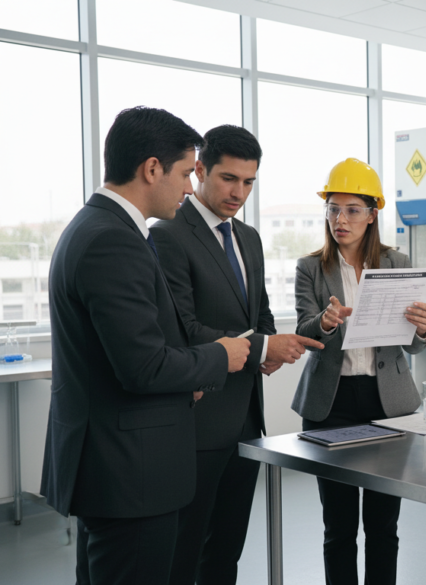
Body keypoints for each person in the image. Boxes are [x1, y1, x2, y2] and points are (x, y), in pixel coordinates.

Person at [42, 106, 250, 585]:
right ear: (151, 168)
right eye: (183, 173)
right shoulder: (112, 241)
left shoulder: (97, 228)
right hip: (130, 475)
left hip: (114, 469)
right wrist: (220, 355)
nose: (186, 186)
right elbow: (143, 367)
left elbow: (126, 352)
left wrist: (186, 382)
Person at [150, 125, 325, 585]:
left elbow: (260, 312)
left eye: (249, 182)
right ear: (201, 170)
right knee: (185, 552)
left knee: (227, 551)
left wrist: (263, 348)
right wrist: (263, 348)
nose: (239, 192)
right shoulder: (168, 234)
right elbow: (184, 329)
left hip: (246, 418)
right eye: (229, 179)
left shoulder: (248, 237)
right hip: (198, 421)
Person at [292, 158, 426, 585]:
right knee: (338, 528)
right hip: (330, 403)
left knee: (382, 525)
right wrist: (325, 322)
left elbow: (411, 341)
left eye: (352, 209)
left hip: (386, 401)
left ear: (373, 214)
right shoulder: (311, 267)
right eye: (334, 209)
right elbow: (302, 330)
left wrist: (425, 326)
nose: (341, 219)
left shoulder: (397, 261)